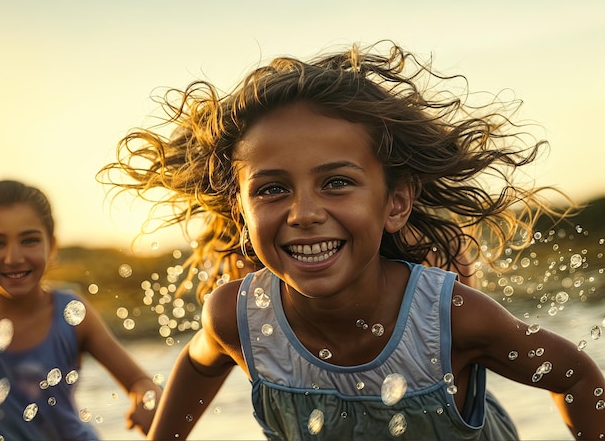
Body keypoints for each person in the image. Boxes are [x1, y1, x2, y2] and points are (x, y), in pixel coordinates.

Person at [98, 41, 605, 440]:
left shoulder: (454, 319)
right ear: (242, 210)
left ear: (395, 203)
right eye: (273, 189)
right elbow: (197, 365)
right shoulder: (240, 318)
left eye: (336, 182)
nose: (305, 213)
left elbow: (578, 377)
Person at [0, 180, 162, 440]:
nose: (13, 258)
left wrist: (146, 399)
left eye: (29, 240)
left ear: (51, 246)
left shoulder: (72, 314)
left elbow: (139, 382)